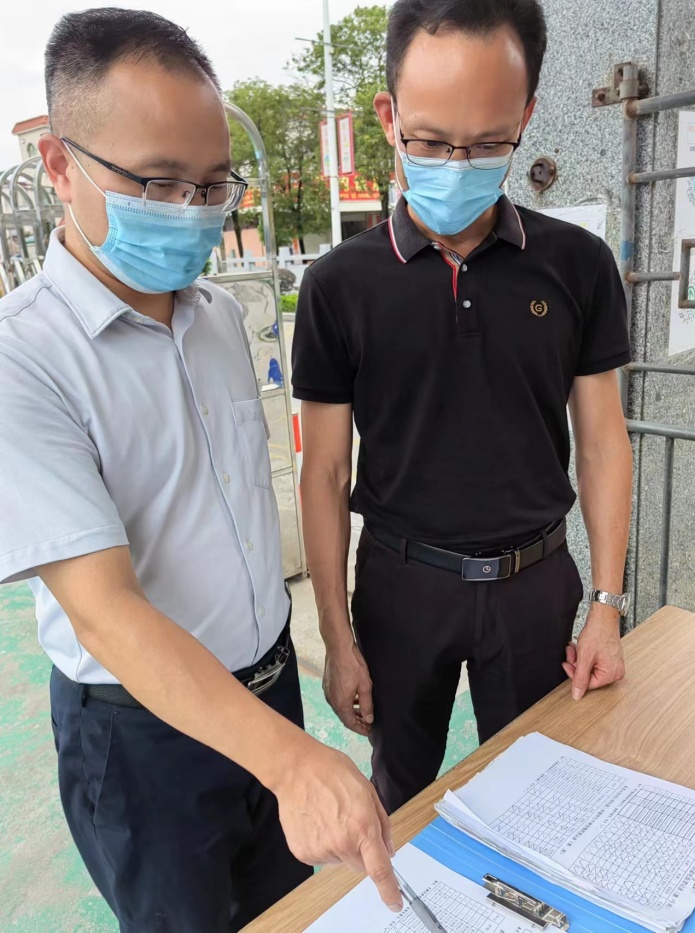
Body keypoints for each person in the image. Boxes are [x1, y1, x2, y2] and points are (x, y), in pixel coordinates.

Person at [0, 9, 402, 931]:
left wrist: (295, 711)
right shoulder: (23, 360)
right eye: (158, 182)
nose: (191, 210)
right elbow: (105, 611)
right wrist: (295, 763)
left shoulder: (217, 315)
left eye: (214, 184)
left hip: (269, 688)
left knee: (291, 915)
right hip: (142, 734)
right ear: (59, 165)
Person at [292, 0, 633, 816]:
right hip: (401, 586)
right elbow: (325, 471)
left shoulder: (579, 266)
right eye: (431, 141)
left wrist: (607, 606)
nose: (456, 165)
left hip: (535, 582)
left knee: (540, 791)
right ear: (389, 117)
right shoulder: (338, 286)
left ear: (525, 117)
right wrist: (338, 638)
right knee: (402, 795)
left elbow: (602, 441)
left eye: (486, 145)